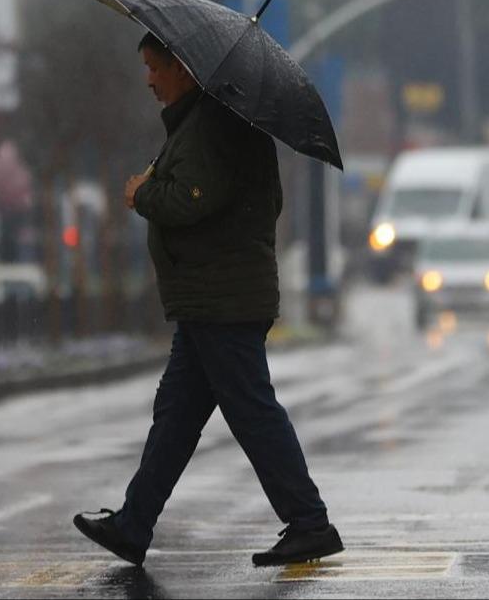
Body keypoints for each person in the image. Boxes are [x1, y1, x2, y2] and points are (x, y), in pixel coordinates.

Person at [72, 32, 343, 568]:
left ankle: (310, 522)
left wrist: (141, 193)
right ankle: (133, 525)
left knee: (252, 411)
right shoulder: (212, 122)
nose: (149, 79)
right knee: (175, 415)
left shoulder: (214, 124)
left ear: (184, 68)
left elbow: (192, 200)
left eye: (155, 68)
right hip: (211, 299)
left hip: (224, 300)